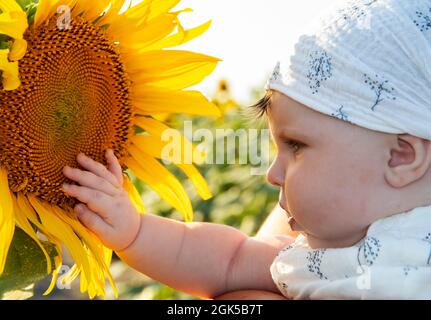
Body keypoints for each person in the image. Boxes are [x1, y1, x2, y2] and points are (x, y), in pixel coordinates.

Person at [62, 0, 431, 299]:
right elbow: (230, 261)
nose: (272, 174)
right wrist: (134, 232)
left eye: (296, 146)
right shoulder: (325, 258)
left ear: (401, 156)